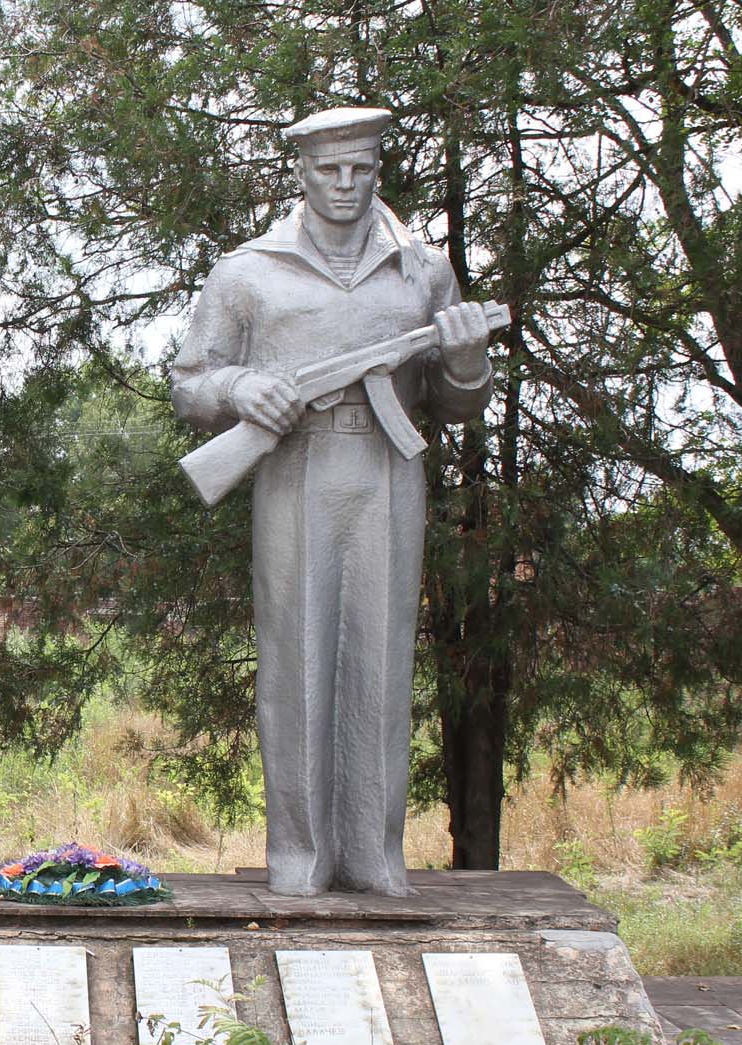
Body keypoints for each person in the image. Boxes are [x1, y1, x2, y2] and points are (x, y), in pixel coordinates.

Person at [169, 107, 495, 896]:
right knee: (295, 659)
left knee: (381, 662)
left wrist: (466, 357)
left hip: (387, 467)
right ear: (302, 172)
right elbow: (189, 383)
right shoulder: (249, 270)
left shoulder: (423, 271)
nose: (345, 184)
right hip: (292, 465)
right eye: (329, 170)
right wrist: (243, 386)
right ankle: (302, 854)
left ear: (379, 169)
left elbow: (459, 403)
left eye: (360, 169)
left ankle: (378, 854)